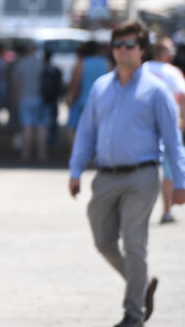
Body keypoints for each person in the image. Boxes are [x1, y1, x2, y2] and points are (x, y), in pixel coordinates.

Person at [69, 21, 185, 327]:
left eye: (129, 45)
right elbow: (86, 132)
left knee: (135, 242)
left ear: (142, 50)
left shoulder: (156, 91)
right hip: (105, 176)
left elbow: (173, 140)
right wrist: (75, 169)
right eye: (118, 45)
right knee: (103, 241)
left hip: (141, 176)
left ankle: (133, 313)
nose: (122, 50)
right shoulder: (101, 87)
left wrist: (180, 182)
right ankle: (143, 284)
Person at [144, 35, 185, 224]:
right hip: (170, 126)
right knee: (168, 170)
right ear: (167, 54)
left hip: (144, 126)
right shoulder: (172, 72)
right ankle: (166, 211)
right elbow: (183, 96)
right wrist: (182, 118)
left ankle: (139, 210)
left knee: (142, 169)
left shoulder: (142, 70)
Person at [66, 41, 110, 142]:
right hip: (102, 103)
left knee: (81, 134)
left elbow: (75, 87)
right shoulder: (107, 63)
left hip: (83, 103)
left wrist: (72, 100)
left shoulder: (81, 64)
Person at [11, 40, 47, 162]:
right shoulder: (41, 64)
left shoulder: (21, 64)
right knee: (41, 127)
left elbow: (16, 83)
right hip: (40, 98)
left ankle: (25, 154)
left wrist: (15, 98)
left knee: (26, 127)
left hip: (24, 98)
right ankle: (42, 154)